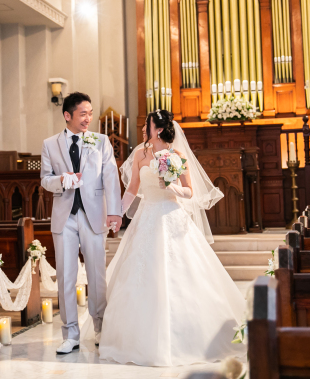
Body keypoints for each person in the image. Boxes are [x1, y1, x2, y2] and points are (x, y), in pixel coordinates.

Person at [96, 109, 246, 366]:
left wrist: (172, 185)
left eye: (147, 125)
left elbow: (188, 192)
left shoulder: (177, 156)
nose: (144, 129)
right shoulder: (140, 155)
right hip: (146, 218)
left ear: (158, 129)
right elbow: (132, 189)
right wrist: (116, 214)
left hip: (172, 216)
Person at [39, 92, 122, 354]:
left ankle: (100, 329)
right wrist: (62, 180)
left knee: (97, 275)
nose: (88, 118)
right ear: (68, 115)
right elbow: (45, 179)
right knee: (65, 276)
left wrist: (115, 212)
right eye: (83, 113)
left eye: (90, 112)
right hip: (65, 217)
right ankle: (70, 333)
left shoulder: (100, 141)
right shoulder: (50, 144)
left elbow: (110, 176)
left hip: (94, 214)